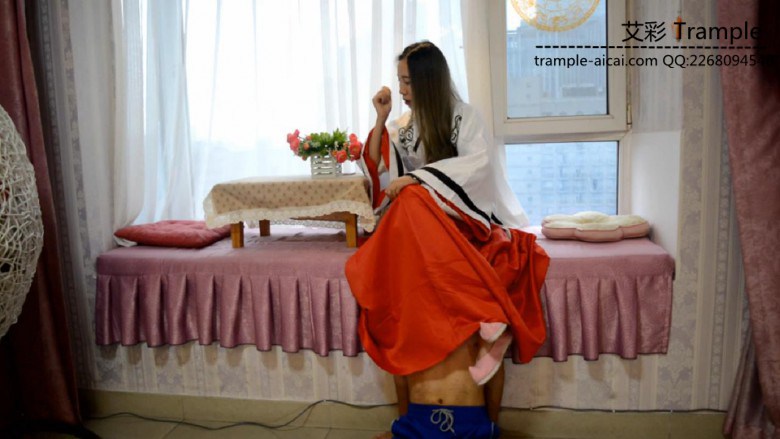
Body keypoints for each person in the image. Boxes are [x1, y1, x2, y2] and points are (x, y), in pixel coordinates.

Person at [345, 41, 550, 438]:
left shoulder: (465, 117)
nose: (402, 90)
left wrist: (417, 180)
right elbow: (380, 168)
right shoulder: (405, 125)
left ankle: (483, 324)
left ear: (427, 80)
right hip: (422, 225)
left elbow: (477, 168)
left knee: (411, 197)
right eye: (400, 81)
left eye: (408, 82)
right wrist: (381, 118)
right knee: (408, 201)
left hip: (464, 221)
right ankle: (482, 323)